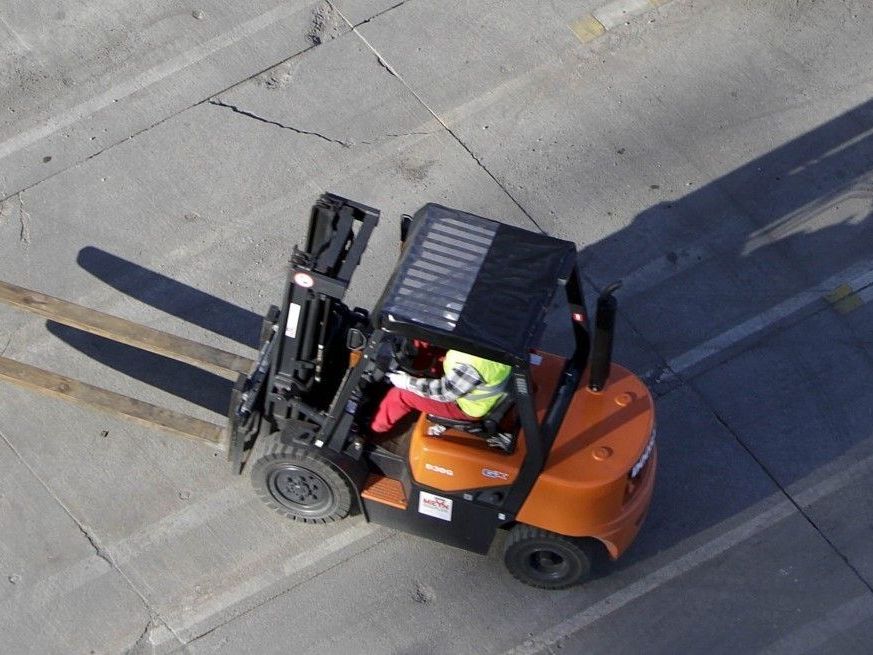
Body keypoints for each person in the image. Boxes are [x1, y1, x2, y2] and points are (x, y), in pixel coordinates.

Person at [370, 350, 511, 434]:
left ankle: (374, 430)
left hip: (464, 407)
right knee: (427, 347)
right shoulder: (494, 343)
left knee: (400, 395)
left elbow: (444, 392)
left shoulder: (478, 364)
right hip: (463, 386)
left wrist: (407, 382)